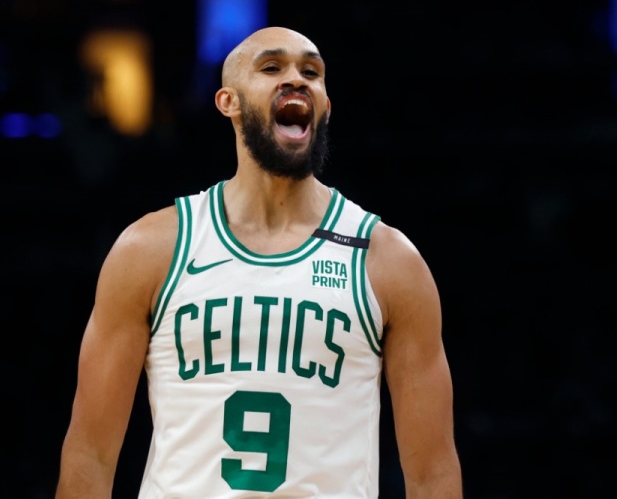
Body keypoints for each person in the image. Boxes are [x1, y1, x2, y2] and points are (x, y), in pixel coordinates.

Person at [55, 26, 462, 498]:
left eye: (311, 72)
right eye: (271, 67)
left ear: (326, 106)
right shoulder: (151, 249)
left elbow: (432, 474)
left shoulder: (387, 260)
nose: (296, 79)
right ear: (228, 102)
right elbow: (91, 454)